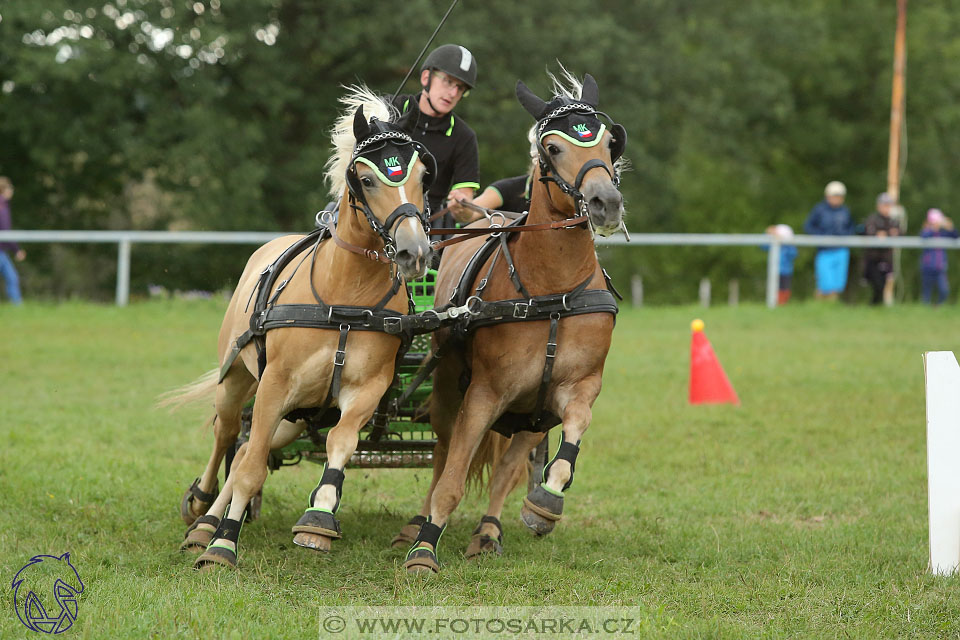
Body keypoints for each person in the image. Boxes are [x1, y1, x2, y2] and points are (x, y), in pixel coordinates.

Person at [392, 44, 480, 230]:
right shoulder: (390, 110)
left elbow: (465, 197)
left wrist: (461, 207)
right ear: (426, 77)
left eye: (461, 88)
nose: (454, 93)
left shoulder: (465, 137)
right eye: (448, 81)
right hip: (378, 212)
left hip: (428, 225)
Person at [804, 181, 855, 300]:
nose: (837, 199)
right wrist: (821, 236)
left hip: (841, 249)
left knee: (837, 284)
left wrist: (844, 235)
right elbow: (808, 226)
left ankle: (832, 307)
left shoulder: (845, 211)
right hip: (824, 250)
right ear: (828, 196)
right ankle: (818, 306)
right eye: (834, 196)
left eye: (839, 196)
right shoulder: (819, 210)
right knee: (825, 283)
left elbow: (851, 227)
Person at [862, 192, 900, 306]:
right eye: (884, 205)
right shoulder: (872, 219)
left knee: (882, 285)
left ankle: (875, 307)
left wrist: (886, 234)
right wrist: (888, 233)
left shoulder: (894, 221)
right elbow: (870, 233)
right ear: (878, 206)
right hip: (873, 258)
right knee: (877, 284)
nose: (886, 208)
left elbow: (900, 233)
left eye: (889, 205)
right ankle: (873, 306)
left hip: (886, 258)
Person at [920, 208, 958, 305]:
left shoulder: (943, 233)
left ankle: (937, 307)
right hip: (927, 267)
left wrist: (950, 227)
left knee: (944, 290)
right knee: (927, 293)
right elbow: (923, 236)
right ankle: (926, 310)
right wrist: (933, 228)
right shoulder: (927, 231)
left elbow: (955, 235)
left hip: (940, 267)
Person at [0, 176, 25, 305]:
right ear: (4, 189)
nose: (12, 190)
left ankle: (17, 306)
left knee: (12, 277)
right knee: (12, 278)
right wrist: (17, 250)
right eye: (10, 188)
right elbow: (5, 231)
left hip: (2, 252)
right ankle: (17, 305)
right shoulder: (2, 207)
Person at [764, 224, 798, 305]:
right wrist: (768, 234)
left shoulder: (789, 247)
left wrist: (787, 244)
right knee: (773, 287)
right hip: (774, 271)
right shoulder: (771, 244)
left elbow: (793, 254)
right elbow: (763, 245)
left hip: (786, 271)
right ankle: (774, 302)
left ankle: (783, 303)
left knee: (784, 288)